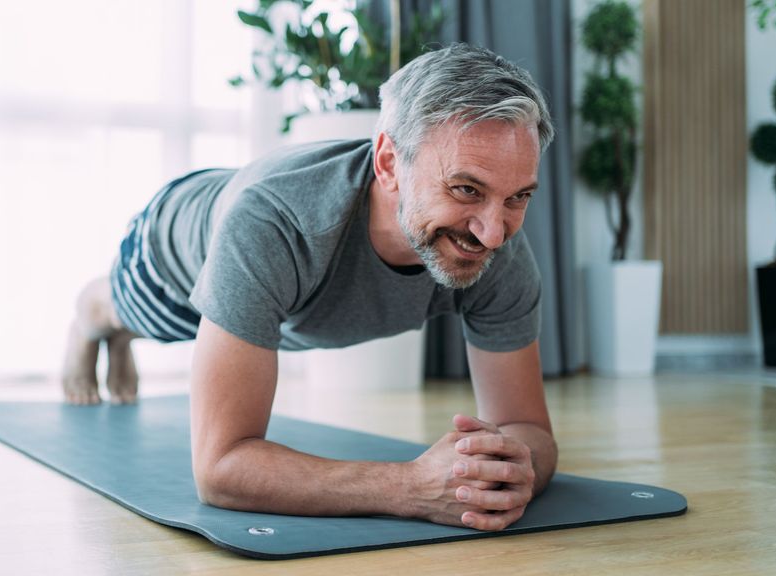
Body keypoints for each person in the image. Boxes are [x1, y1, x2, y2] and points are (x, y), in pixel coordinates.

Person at [61, 43, 557, 532]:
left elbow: (529, 429)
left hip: (275, 282)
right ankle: (93, 318)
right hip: (174, 246)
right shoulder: (273, 222)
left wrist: (503, 470)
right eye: (466, 189)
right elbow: (221, 470)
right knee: (135, 315)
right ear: (388, 163)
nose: (493, 232)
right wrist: (411, 486)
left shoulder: (498, 250)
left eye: (518, 197)